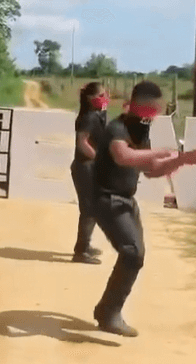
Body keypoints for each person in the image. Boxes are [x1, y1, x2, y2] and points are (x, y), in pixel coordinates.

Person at [90, 81, 196, 337]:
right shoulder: (116, 128)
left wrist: (179, 160)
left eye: (153, 111)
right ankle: (109, 313)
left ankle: (106, 310)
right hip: (105, 198)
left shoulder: (140, 134)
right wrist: (163, 152)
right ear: (132, 106)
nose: (149, 116)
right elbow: (124, 157)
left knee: (136, 255)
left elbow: (151, 171)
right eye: (145, 110)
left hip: (125, 200)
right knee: (132, 252)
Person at [70, 82, 109, 265]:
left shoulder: (95, 115)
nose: (105, 97)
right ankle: (81, 251)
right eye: (101, 95)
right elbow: (82, 142)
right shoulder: (89, 117)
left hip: (89, 167)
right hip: (85, 167)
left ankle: (84, 246)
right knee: (89, 210)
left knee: (92, 209)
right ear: (91, 98)